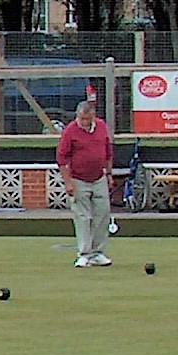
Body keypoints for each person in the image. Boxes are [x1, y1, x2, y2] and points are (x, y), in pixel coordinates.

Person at [56, 98, 115, 267]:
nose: (84, 122)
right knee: (83, 217)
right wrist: (68, 182)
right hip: (78, 179)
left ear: (93, 117)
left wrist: (109, 174)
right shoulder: (70, 131)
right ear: (77, 116)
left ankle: (98, 253)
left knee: (102, 215)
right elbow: (61, 158)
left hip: (99, 177)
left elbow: (108, 152)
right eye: (81, 119)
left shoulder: (102, 126)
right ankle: (84, 253)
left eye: (87, 119)